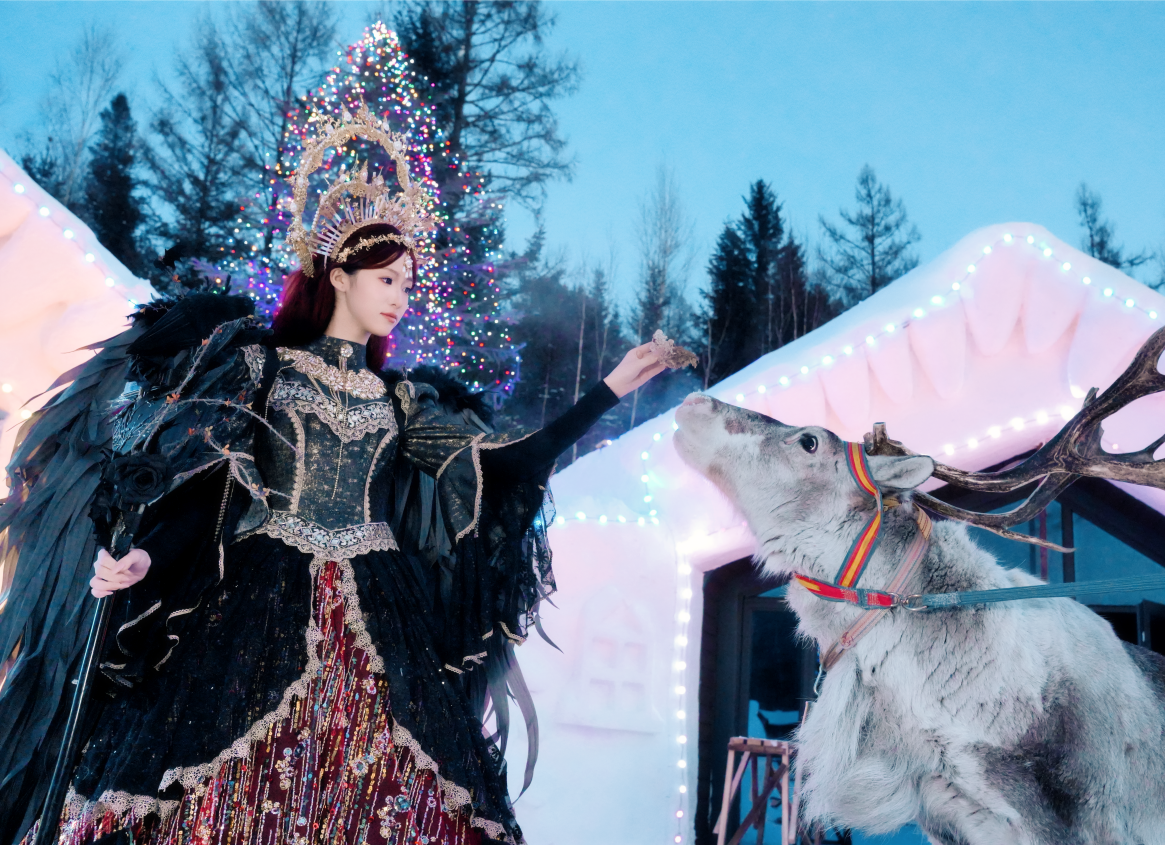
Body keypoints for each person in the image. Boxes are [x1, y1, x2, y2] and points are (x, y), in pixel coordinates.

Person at [0, 107, 668, 845]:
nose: (400, 296)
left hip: (381, 606)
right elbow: (208, 490)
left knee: (394, 790)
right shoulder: (264, 369)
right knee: (218, 789)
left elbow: (508, 463)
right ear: (340, 275)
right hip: (259, 596)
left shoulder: (402, 400)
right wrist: (148, 556)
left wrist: (610, 388)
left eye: (408, 283)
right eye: (387, 278)